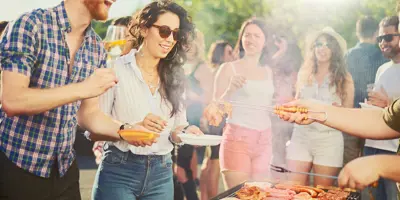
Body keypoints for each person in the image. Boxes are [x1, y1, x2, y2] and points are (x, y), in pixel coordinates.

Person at [0, 0, 155, 199]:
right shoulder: (30, 25)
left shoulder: (96, 46)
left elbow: (88, 115)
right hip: (16, 167)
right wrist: (83, 88)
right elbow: (13, 100)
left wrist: (126, 130)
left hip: (65, 171)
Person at [91, 2, 201, 200]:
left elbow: (177, 129)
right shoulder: (115, 69)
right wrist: (131, 130)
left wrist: (186, 132)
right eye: (165, 31)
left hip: (162, 173)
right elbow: (94, 129)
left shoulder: (176, 77)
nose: (170, 39)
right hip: (119, 172)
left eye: (175, 34)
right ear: (143, 28)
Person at [285, 27, 354, 186]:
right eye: (318, 44)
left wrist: (338, 112)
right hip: (300, 137)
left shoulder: (345, 78)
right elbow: (297, 103)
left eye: (327, 45)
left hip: (329, 141)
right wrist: (288, 110)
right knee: (293, 190)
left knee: (323, 193)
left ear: (334, 50)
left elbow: (349, 116)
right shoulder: (304, 73)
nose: (322, 48)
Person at [213, 18, 274, 189]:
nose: (251, 39)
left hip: (264, 141)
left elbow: (267, 106)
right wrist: (230, 90)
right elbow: (214, 113)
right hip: (237, 140)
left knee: (261, 195)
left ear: (265, 41)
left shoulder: (269, 72)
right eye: (247, 35)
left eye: (257, 36)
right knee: (240, 196)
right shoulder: (228, 69)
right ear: (241, 38)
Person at [361, 16, 400, 200]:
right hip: (372, 144)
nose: (383, 43)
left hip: (394, 150)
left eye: (389, 37)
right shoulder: (382, 69)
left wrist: (388, 103)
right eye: (380, 39)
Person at [345, 16, 388, 166]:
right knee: (369, 163)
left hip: (350, 116)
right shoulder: (383, 57)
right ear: (376, 33)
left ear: (358, 33)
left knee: (349, 162)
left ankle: (349, 189)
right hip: (373, 118)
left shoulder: (347, 55)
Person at [174, 29, 212, 200]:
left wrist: (189, 96)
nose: (187, 45)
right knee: (174, 169)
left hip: (192, 122)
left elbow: (209, 97)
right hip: (173, 122)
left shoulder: (202, 67)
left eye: (191, 42)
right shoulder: (176, 64)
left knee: (181, 169)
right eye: (184, 41)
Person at [92, 15, 133, 165]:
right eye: (117, 34)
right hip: (108, 142)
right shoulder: (107, 65)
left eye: (126, 36)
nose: (122, 40)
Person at [199, 40, 234, 200]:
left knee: (209, 160)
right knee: (215, 163)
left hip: (212, 120)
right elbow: (213, 98)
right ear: (221, 54)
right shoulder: (222, 71)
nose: (233, 55)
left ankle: (205, 197)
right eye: (229, 52)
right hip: (218, 120)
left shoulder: (214, 70)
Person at [269, 26, 302, 179]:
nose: (277, 43)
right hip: (276, 112)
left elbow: (297, 86)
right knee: (277, 151)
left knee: (287, 152)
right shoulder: (274, 59)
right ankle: (278, 182)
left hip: (291, 112)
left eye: (280, 40)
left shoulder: (295, 60)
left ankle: (284, 182)